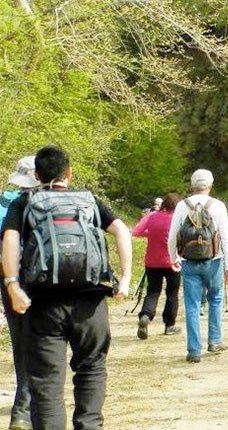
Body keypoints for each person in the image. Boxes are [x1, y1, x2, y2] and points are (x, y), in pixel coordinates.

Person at [1, 145, 132, 430]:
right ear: (69, 172)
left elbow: (9, 240)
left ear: (36, 175)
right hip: (91, 304)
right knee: (92, 370)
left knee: (46, 383)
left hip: (43, 305)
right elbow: (121, 230)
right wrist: (124, 278)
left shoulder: (24, 203)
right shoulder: (88, 200)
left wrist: (13, 287)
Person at [168, 169, 228, 363]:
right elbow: (226, 237)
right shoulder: (218, 206)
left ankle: (194, 350)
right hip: (214, 261)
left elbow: (172, 236)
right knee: (215, 299)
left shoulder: (182, 206)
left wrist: (174, 258)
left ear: (192, 185)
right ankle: (214, 340)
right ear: (210, 185)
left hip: (189, 262)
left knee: (192, 304)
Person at [0, 156, 39, 430]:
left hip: (9, 278)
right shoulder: (56, 201)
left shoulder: (5, 201)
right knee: (45, 342)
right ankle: (25, 409)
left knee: (21, 344)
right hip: (45, 279)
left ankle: (24, 406)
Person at [134, 193, 182, 339]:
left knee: (153, 291)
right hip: (173, 261)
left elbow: (137, 231)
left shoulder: (152, 216)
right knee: (172, 293)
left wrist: (152, 233)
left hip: (152, 261)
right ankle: (169, 325)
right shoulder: (177, 218)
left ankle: (146, 316)